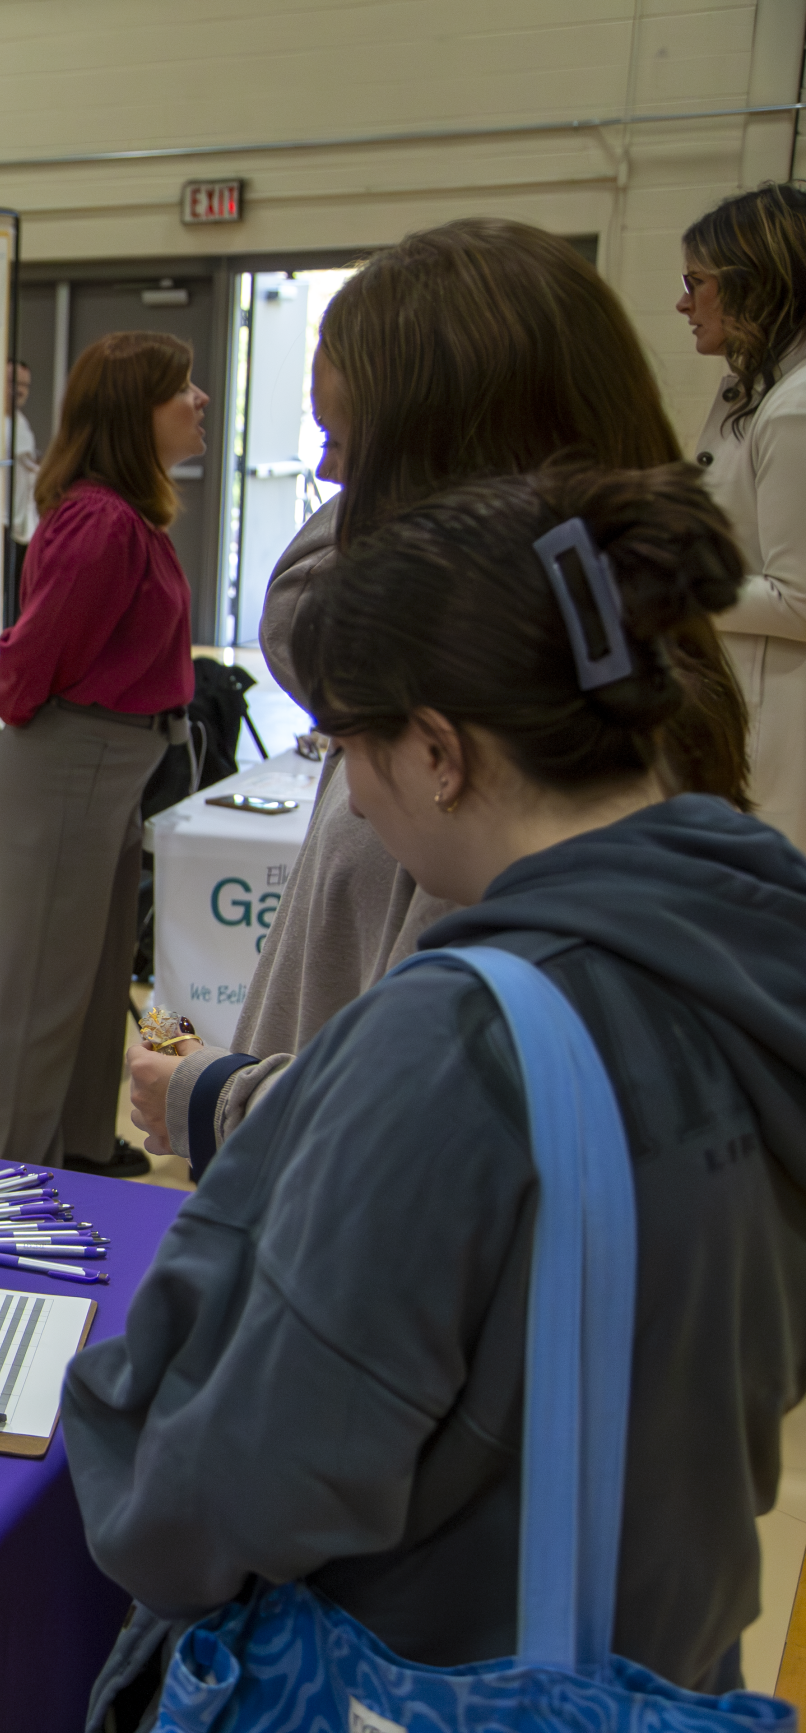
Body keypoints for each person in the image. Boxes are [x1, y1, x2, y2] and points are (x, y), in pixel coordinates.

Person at [66, 466, 806, 1717]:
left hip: (427, 1667)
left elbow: (239, 1478)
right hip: (659, 1649)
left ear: (436, 748)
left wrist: (114, 1420)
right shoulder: (750, 944)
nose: (347, 790)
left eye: (343, 743)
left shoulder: (453, 1037)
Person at [131, 219, 753, 1172]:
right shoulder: (547, 679)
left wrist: (225, 1099)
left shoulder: (535, 738)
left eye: (347, 442)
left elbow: (451, 1106)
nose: (331, 478)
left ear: (442, 754)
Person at [0, 332, 203, 1176]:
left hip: (109, 762)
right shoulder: (102, 520)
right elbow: (40, 658)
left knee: (97, 976)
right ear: (135, 414)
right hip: (71, 762)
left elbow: (58, 647)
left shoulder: (125, 516)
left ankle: (80, 1142)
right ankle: (12, 1175)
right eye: (184, 390)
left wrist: (12, 675)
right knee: (39, 992)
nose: (200, 400)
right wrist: (7, 682)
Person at [683, 182, 806, 849]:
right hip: (739, 700)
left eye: (693, 281)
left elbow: (800, 599)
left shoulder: (795, 408)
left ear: (747, 283)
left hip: (781, 726)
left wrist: (668, 582)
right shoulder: (752, 389)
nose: (682, 301)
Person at [5, 359, 40, 620]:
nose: (20, 390)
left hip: (23, 522)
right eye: (13, 383)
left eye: (25, 385)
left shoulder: (21, 422)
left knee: (20, 595)